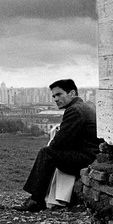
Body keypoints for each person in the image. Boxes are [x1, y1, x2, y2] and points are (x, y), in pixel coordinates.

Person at [14, 79, 100, 212]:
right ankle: (46, 197)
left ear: (72, 93)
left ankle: (36, 200)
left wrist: (57, 137)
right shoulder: (84, 107)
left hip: (87, 158)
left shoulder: (75, 110)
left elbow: (59, 142)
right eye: (54, 96)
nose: (55, 99)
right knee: (50, 152)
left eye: (59, 94)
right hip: (92, 155)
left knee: (46, 152)